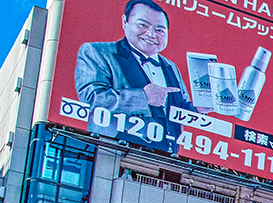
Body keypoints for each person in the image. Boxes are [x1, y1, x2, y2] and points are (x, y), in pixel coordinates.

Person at [73, 0, 197, 154]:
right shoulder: (97, 51)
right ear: (125, 22)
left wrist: (198, 108)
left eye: (160, 30)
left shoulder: (171, 66)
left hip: (167, 154)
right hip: (114, 149)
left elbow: (178, 107)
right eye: (143, 25)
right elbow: (91, 98)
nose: (151, 34)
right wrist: (143, 97)